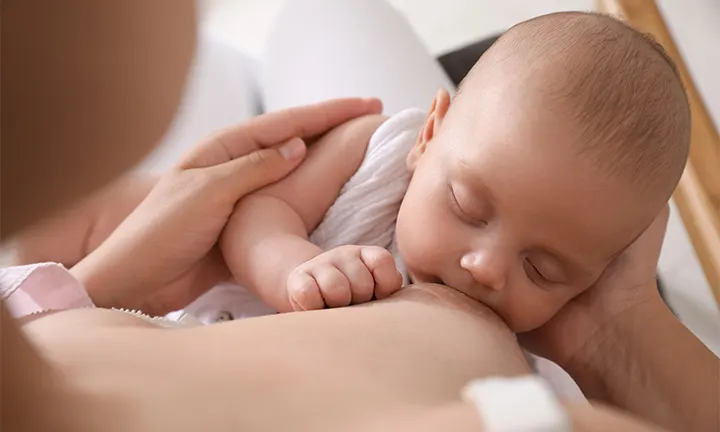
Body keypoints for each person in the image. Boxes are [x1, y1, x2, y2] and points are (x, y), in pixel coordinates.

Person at [2, 1, 717, 432]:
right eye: (468, 207)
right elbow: (265, 211)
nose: (486, 266)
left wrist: (109, 277)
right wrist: (292, 266)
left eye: (546, 268)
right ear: (429, 137)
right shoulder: (383, 156)